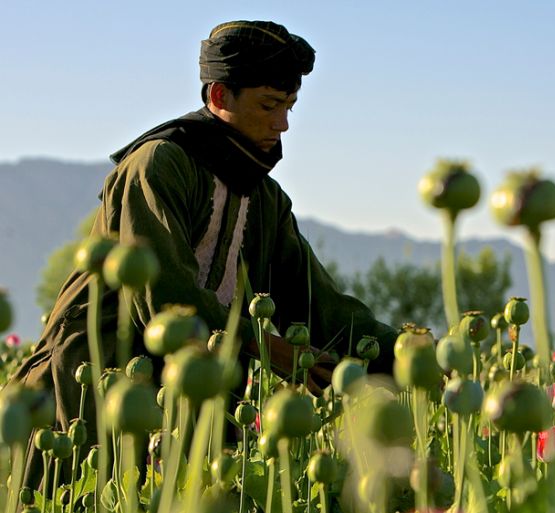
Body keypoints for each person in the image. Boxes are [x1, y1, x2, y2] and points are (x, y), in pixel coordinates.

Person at [11, 19, 397, 481]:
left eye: (289, 107)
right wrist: (263, 346)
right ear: (219, 96)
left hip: (196, 398)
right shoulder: (157, 165)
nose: (283, 124)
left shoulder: (265, 197)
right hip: (94, 388)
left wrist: (406, 355)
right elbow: (160, 297)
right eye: (269, 105)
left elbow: (316, 304)